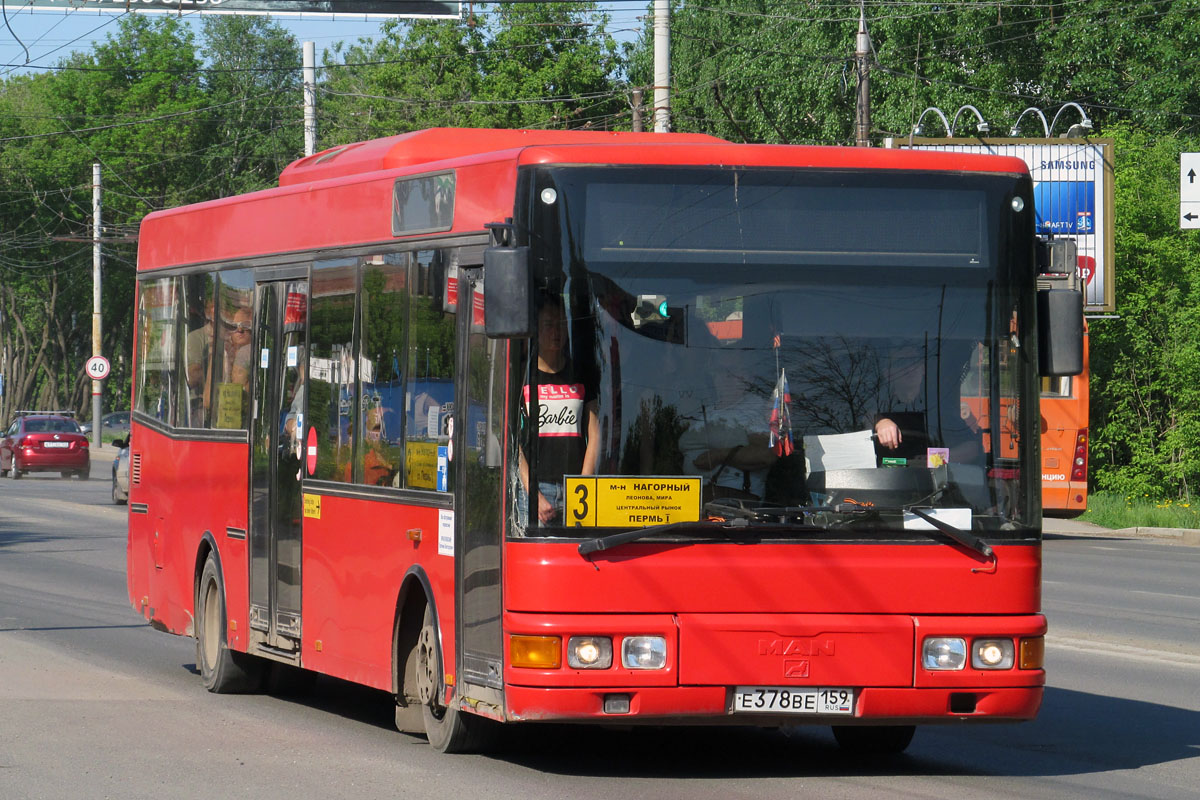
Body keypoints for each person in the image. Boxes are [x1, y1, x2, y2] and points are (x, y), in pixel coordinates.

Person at [518, 294, 600, 525]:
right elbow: (512, 443)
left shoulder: (582, 374)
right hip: (534, 491)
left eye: (562, 324)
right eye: (549, 325)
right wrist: (533, 493)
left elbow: (594, 433)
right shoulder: (522, 377)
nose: (556, 332)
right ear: (535, 328)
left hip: (577, 488)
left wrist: (583, 485)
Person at [678, 353, 777, 500]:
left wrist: (718, 456)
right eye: (719, 371)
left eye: (732, 371)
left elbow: (765, 454)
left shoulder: (754, 408)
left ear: (748, 377)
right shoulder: (708, 410)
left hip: (732, 504)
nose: (725, 377)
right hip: (691, 498)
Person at [873, 343, 980, 465]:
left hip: (931, 482)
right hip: (883, 481)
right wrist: (880, 423)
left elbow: (972, 448)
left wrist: (934, 460)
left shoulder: (937, 407)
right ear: (887, 373)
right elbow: (863, 424)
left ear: (923, 368)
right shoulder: (877, 402)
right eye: (901, 363)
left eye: (914, 361)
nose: (909, 369)